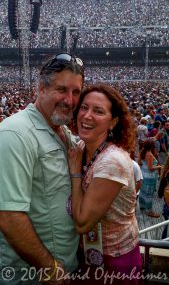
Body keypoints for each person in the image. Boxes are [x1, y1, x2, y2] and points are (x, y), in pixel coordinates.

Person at [0, 53, 84, 285]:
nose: (69, 100)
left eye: (76, 92)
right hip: (33, 276)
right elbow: (8, 215)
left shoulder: (62, 131)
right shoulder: (15, 134)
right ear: (41, 89)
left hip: (65, 268)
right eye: (62, 89)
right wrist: (49, 269)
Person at [68, 84, 144, 285]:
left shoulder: (113, 161)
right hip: (91, 255)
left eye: (98, 111)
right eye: (84, 107)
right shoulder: (83, 147)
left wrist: (75, 173)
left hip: (115, 261)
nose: (87, 115)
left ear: (113, 122)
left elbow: (83, 223)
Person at [138, 139, 162, 218]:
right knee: (149, 193)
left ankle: (142, 205)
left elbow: (139, 162)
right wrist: (160, 166)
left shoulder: (142, 151)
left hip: (143, 174)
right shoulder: (149, 154)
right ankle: (149, 211)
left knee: (143, 190)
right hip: (150, 176)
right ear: (151, 146)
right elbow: (151, 168)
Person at [158, 155, 169, 239]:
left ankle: (163, 241)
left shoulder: (165, 173)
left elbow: (160, 193)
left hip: (166, 207)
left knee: (166, 225)